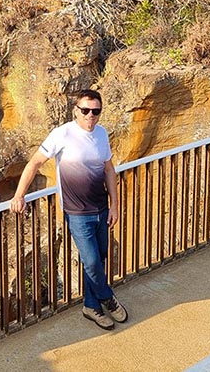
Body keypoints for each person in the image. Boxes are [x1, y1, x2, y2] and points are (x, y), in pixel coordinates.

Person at [10, 89, 128, 331]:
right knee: (93, 261)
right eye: (85, 110)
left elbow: (108, 170)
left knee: (98, 258)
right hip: (77, 213)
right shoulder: (62, 134)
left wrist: (114, 205)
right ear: (76, 110)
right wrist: (19, 195)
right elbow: (34, 163)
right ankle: (107, 297)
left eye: (95, 111)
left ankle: (91, 306)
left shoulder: (102, 134)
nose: (90, 116)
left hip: (101, 209)